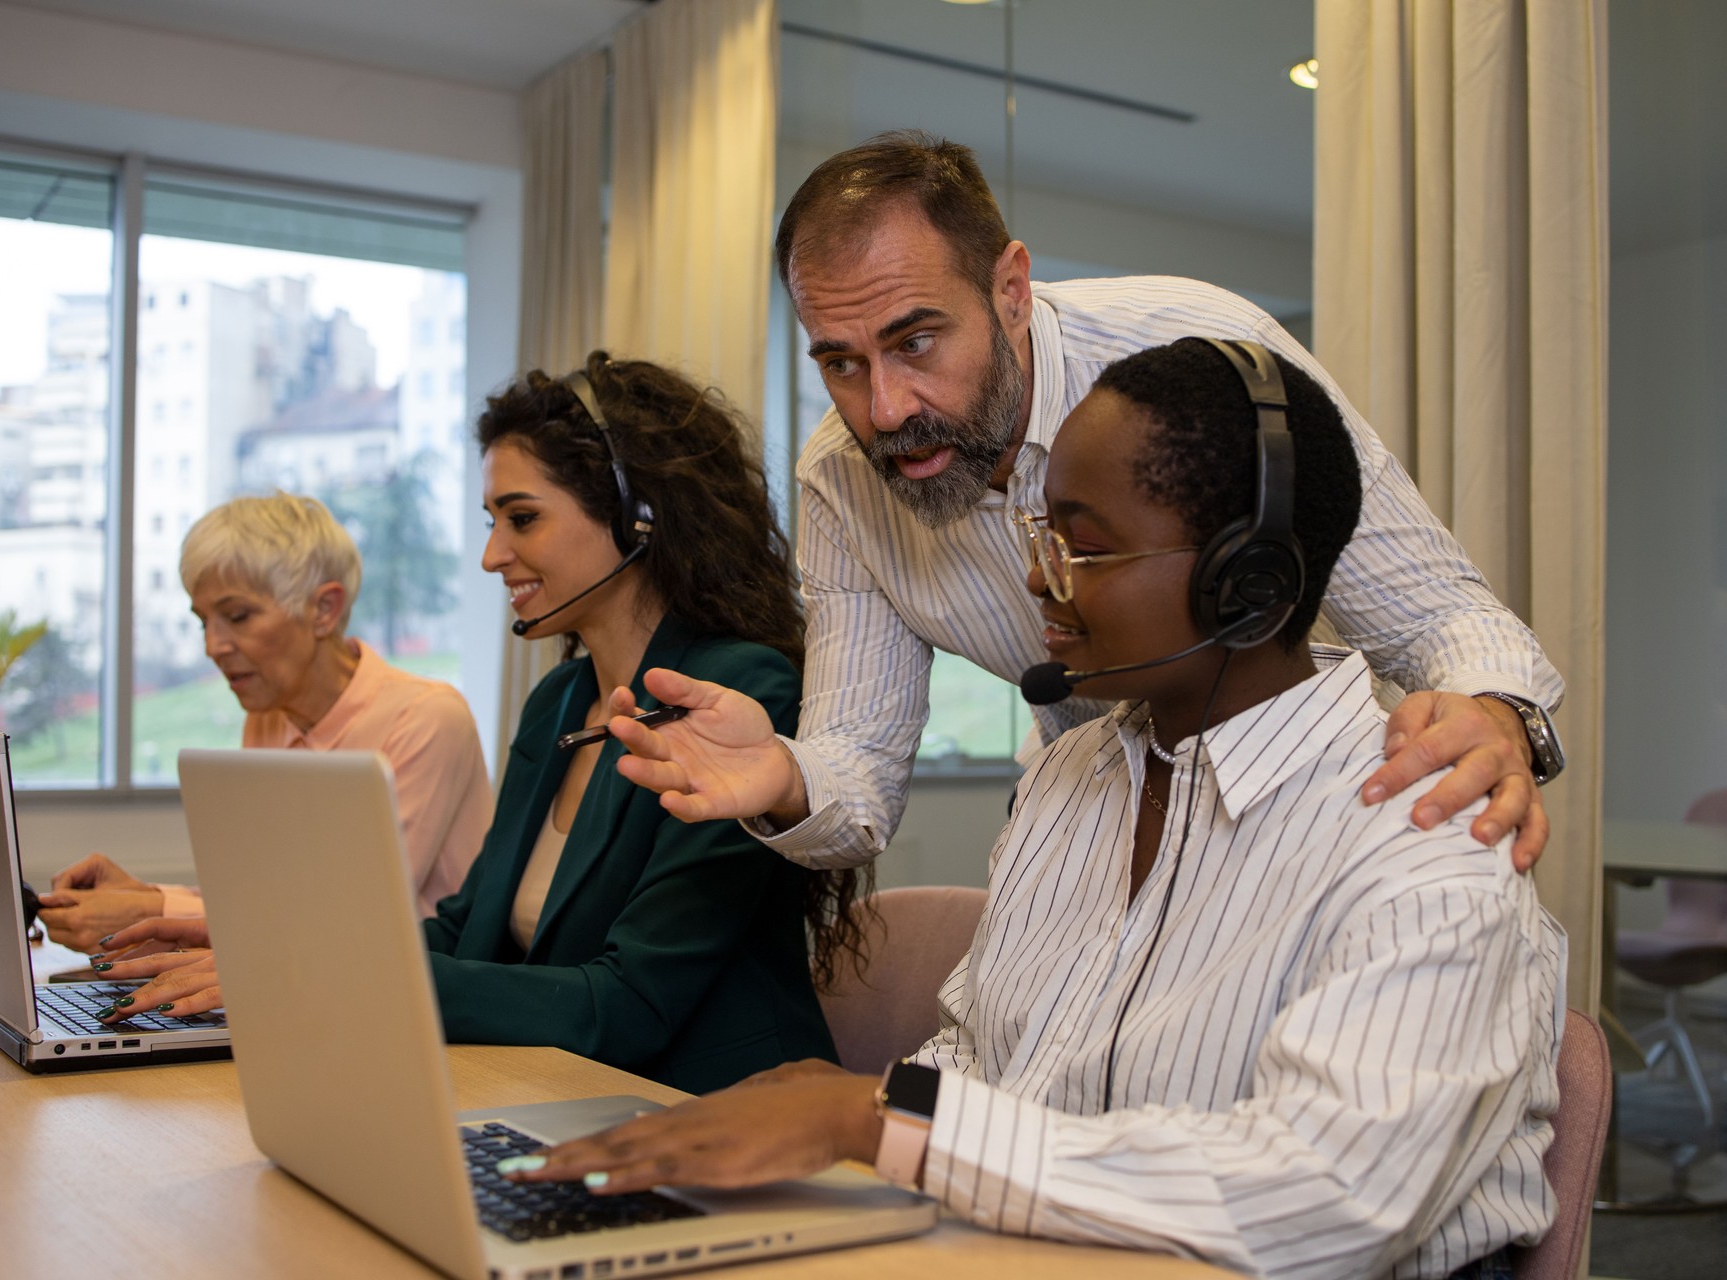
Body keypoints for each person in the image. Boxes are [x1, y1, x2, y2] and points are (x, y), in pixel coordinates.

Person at [507, 338, 1566, 1280]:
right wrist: (850, 1108)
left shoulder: (1430, 824)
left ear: (1247, 586)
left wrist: (874, 1120)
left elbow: (1325, 1197)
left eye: (1084, 544)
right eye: (1041, 532)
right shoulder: (1071, 781)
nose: (1037, 579)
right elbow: (983, 1057)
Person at [621, 131, 1564, 876]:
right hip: (1092, 836)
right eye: (839, 362)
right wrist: (784, 775)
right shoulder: (842, 479)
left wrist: (1493, 715)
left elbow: (1440, 616)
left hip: (1302, 826)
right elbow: (856, 778)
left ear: (1012, 290)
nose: (884, 411)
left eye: (915, 342)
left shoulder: (1206, 358)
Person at [98, 356, 858, 1094]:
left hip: (714, 1109)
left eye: (521, 518)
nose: (494, 555)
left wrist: (330, 971)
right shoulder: (560, 702)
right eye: (491, 521)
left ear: (639, 514)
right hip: (559, 1093)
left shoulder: (736, 692)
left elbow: (627, 1007)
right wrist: (273, 954)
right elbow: (468, 930)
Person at [37, 493, 492, 951]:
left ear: (324, 610)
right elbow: (266, 905)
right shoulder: (268, 718)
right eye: (203, 622)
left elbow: (342, 913)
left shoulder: (427, 719)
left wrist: (150, 912)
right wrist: (143, 899)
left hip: (422, 1002)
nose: (213, 646)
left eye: (238, 616)